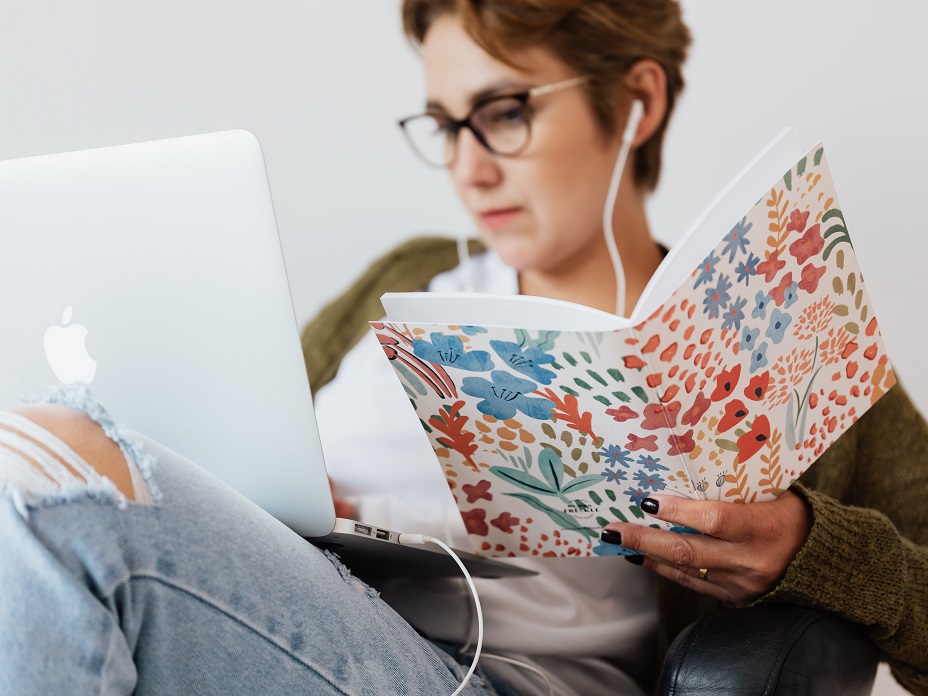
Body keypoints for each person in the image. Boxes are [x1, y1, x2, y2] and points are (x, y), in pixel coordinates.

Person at [1, 3, 926, 696]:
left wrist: (810, 549)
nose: (470, 166)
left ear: (635, 102)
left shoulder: (775, 338)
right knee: (41, 461)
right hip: (297, 623)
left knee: (66, 481)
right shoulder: (402, 282)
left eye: (506, 112)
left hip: (501, 677)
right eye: (447, 125)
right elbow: (240, 458)